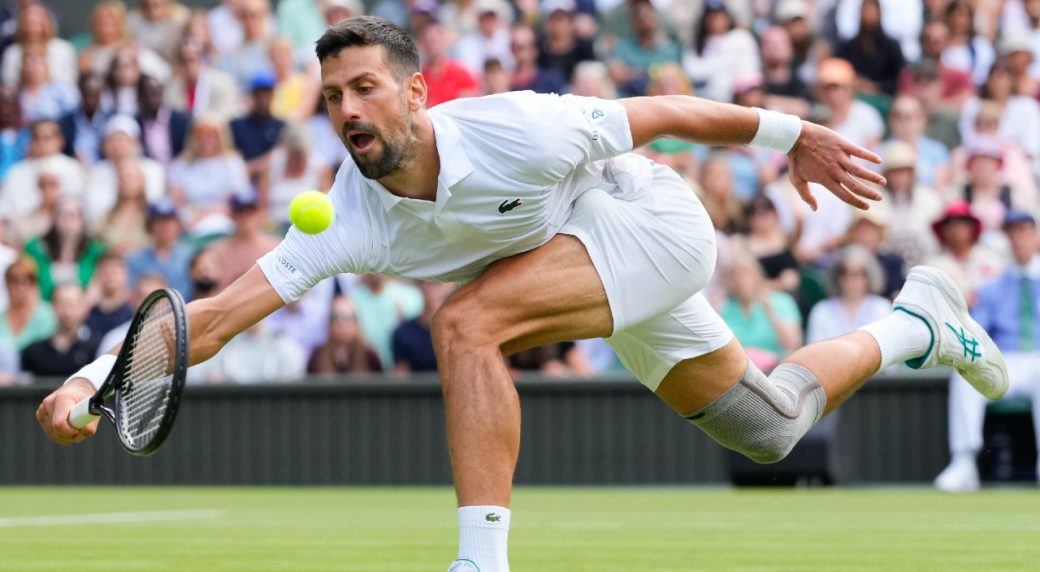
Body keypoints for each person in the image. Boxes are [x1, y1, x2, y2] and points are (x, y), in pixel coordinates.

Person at [37, 17, 1009, 572]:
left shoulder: (519, 126)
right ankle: (914, 320)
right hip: (577, 262)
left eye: (367, 88)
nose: (348, 112)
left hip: (645, 223)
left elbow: (663, 110)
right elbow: (212, 313)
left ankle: (479, 559)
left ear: (416, 92)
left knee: (464, 319)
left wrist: (787, 132)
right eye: (333, 97)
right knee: (767, 425)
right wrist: (94, 376)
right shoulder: (351, 213)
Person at [935, 210, 1040, 492]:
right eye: (1014, 234)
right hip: (1006, 360)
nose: (1020, 240)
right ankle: (964, 462)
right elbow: (977, 331)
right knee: (965, 377)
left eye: (1026, 232)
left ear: (1036, 237)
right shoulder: (992, 288)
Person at [24, 197, 106, 301]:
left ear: (82, 220)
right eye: (61, 214)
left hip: (84, 310)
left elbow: (98, 287)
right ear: (53, 218)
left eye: (72, 215)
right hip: (45, 309)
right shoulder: (35, 249)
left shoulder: (96, 251)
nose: (66, 219)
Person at [805, 245, 892, 344]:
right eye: (844, 273)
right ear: (837, 276)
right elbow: (814, 348)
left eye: (857, 273)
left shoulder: (882, 308)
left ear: (869, 276)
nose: (850, 280)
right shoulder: (821, 310)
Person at [21, 282, 99, 379]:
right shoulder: (33, 352)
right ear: (52, 306)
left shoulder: (96, 350)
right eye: (61, 304)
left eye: (72, 304)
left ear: (84, 307)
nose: (67, 311)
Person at [125, 200, 194, 297]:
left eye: (169, 220)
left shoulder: (191, 256)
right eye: (159, 221)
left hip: (187, 310)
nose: (164, 226)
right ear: (150, 226)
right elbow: (130, 293)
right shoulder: (135, 259)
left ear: (177, 224)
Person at [308, 295, 382, 374]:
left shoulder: (369, 355)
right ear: (329, 322)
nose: (342, 324)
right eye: (336, 317)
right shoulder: (318, 356)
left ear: (356, 322)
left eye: (348, 317)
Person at [392, 280, 453, 374]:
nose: (427, 286)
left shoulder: (461, 330)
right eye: (421, 282)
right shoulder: (403, 332)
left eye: (435, 282)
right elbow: (401, 375)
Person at [0, 256, 54, 352]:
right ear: (7, 285)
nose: (20, 288)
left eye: (24, 282)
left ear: (33, 285)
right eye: (14, 282)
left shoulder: (47, 314)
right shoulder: (1, 317)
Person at [84, 252, 133, 339]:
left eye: (114, 272)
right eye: (106, 272)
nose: (110, 276)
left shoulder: (132, 314)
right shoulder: (87, 313)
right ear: (97, 274)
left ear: (125, 275)